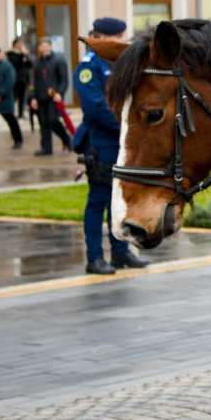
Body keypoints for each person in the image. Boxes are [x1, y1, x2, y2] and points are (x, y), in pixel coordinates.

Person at [72, 18, 146, 275]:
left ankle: (121, 252)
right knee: (98, 201)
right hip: (100, 143)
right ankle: (94, 257)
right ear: (104, 38)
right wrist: (127, 125)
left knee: (120, 201)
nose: (124, 42)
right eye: (119, 37)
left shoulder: (117, 62)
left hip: (121, 142)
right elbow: (95, 108)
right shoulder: (88, 67)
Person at [30, 38, 72, 155]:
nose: (43, 47)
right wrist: (33, 98)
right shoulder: (37, 63)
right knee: (43, 123)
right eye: (41, 45)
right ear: (39, 48)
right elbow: (35, 82)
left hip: (54, 97)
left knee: (53, 120)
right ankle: (46, 148)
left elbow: (64, 80)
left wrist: (60, 93)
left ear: (50, 46)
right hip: (40, 97)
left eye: (46, 45)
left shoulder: (59, 60)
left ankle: (67, 139)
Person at [8, 38, 34, 132]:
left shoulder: (24, 54)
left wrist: (26, 55)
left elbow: (30, 64)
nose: (21, 45)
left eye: (22, 43)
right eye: (19, 43)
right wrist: (22, 55)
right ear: (14, 44)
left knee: (22, 97)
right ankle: (11, 112)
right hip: (14, 79)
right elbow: (16, 63)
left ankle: (21, 114)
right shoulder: (10, 54)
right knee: (14, 96)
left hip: (23, 79)